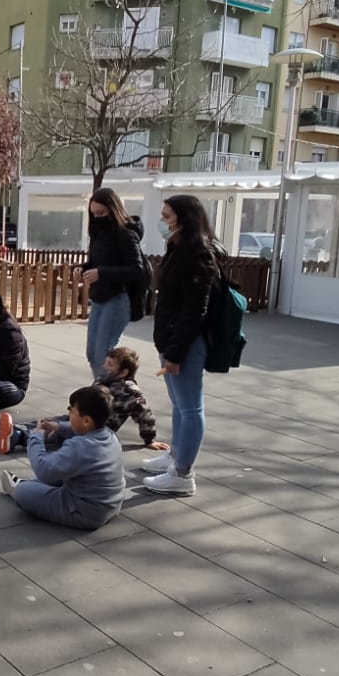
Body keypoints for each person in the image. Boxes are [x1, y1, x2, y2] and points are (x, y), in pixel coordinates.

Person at [140, 194, 223, 496]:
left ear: (183, 218)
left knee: (190, 408)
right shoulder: (179, 247)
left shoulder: (198, 253)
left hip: (185, 343)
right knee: (179, 405)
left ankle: (183, 473)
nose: (162, 222)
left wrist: (175, 352)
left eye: (167, 216)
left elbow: (194, 310)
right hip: (171, 339)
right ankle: (175, 456)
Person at [0, 346, 160, 453]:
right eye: (106, 362)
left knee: (58, 431)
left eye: (110, 365)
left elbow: (146, 416)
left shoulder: (131, 393)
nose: (104, 367)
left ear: (123, 372)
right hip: (80, 416)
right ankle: (1, 431)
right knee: (48, 421)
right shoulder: (104, 379)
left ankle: (17, 437)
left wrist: (149, 440)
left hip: (95, 429)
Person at [0, 387, 125, 531]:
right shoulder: (109, 435)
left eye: (71, 411)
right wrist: (58, 427)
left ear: (86, 420)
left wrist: (36, 437)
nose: (69, 414)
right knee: (62, 469)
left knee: (23, 492)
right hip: (111, 505)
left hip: (84, 512)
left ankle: (19, 486)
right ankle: (34, 486)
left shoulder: (79, 447)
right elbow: (78, 429)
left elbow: (43, 470)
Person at [77, 188, 146, 380]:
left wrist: (101, 273)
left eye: (101, 213)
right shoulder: (99, 234)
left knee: (103, 355)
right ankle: (102, 389)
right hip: (99, 297)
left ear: (113, 210)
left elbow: (136, 269)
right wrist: (82, 268)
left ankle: (108, 391)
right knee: (92, 353)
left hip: (118, 297)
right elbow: (96, 262)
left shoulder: (126, 234)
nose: (97, 217)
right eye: (94, 214)